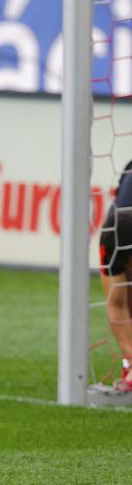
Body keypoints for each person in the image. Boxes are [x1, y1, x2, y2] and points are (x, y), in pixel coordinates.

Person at [99, 159, 132, 392]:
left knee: (120, 300)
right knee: (120, 299)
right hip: (119, 225)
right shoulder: (114, 233)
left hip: (119, 225)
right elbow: (117, 305)